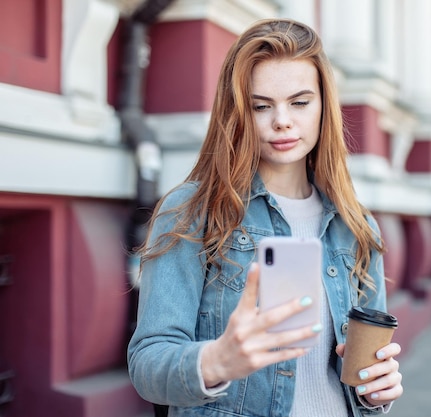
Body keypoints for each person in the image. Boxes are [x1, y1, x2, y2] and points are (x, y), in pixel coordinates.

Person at [127, 18, 403, 417]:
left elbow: (363, 372)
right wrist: (217, 359)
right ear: (237, 111)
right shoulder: (191, 212)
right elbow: (147, 364)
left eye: (300, 102)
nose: (282, 121)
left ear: (324, 105)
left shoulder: (356, 226)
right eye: (261, 106)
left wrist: (376, 391)